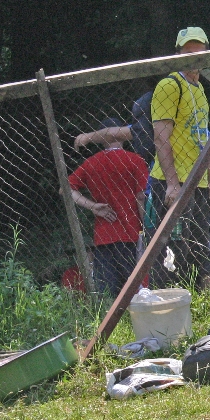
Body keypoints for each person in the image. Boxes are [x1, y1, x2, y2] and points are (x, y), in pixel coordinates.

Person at [144, 27, 210, 290]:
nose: (194, 58)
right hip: (172, 184)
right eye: (188, 53)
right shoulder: (170, 85)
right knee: (170, 255)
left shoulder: (200, 89)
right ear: (177, 54)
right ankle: (167, 314)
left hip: (197, 183)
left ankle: (200, 311)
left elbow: (204, 139)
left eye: (199, 53)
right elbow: (160, 138)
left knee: (200, 253)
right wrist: (172, 184)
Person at [68, 117, 149, 296]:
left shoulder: (90, 163)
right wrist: (146, 226)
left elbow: (66, 188)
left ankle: (108, 320)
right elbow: (140, 197)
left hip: (103, 235)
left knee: (107, 291)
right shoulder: (135, 160)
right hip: (131, 232)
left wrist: (92, 206)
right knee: (136, 288)